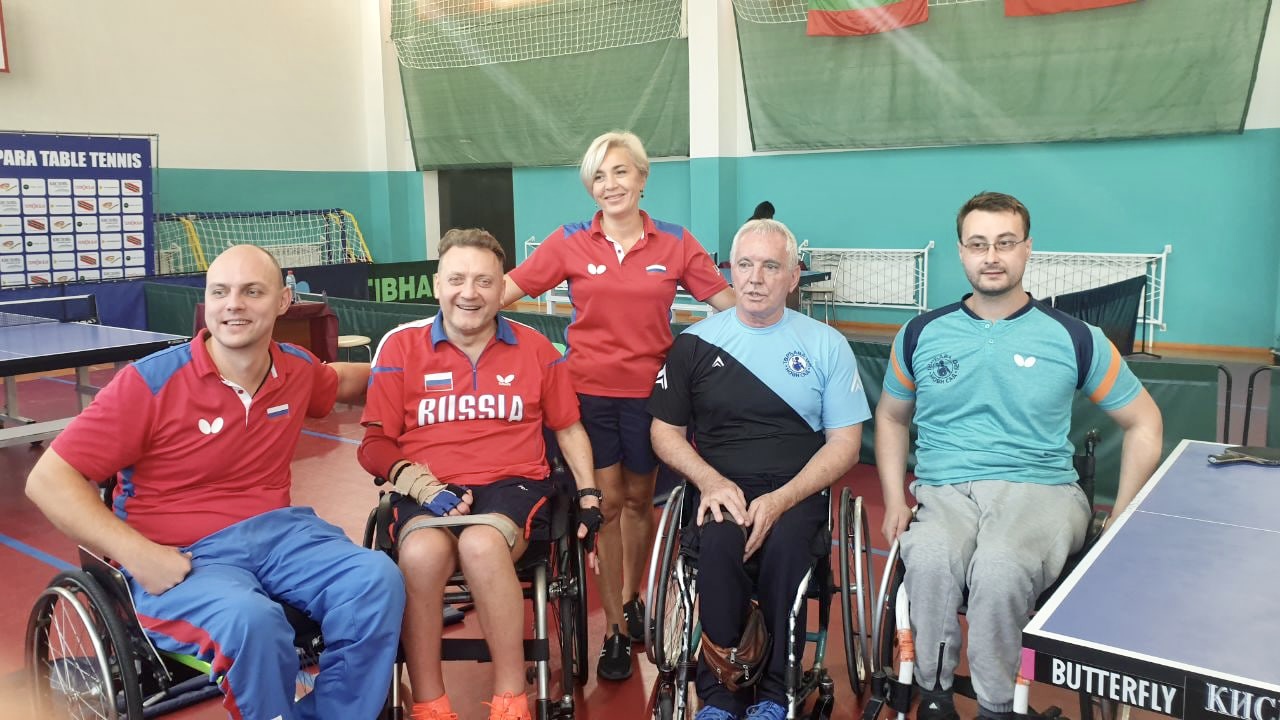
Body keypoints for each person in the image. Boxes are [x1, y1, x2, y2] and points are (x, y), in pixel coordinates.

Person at [24, 244, 404, 720]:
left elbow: (346, 380)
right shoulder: (149, 384)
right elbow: (48, 479)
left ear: (284, 301)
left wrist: (422, 369)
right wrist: (138, 554)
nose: (233, 305)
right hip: (184, 553)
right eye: (220, 292)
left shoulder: (295, 369)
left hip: (281, 535)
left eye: (252, 292)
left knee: (376, 580)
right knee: (252, 622)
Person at [875, 192, 1164, 720]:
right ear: (962, 252)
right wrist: (895, 498)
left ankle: (996, 705)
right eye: (978, 244)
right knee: (931, 558)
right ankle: (934, 696)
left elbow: (1144, 421)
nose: (991, 256)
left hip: (1042, 491)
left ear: (1027, 249)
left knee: (1001, 568)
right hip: (945, 490)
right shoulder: (920, 334)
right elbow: (892, 418)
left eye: (1005, 243)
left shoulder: (1076, 337)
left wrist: (1121, 517)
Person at [501, 130, 736, 680]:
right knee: (606, 505)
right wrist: (458, 305)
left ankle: (633, 598)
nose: (610, 185)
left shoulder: (675, 242)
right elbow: (506, 289)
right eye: (599, 176)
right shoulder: (569, 240)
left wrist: (775, 325)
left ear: (642, 177)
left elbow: (727, 304)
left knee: (638, 501)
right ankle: (614, 629)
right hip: (588, 394)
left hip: (653, 395)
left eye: (621, 172)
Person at [359, 228, 603, 720]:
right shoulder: (400, 348)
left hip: (513, 484)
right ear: (437, 285)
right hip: (428, 487)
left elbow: (568, 427)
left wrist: (589, 494)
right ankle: (430, 702)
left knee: (480, 544)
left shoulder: (536, 348)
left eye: (484, 281)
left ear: (501, 288)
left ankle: (511, 699)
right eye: (457, 279)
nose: (469, 293)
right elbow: (375, 445)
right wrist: (422, 485)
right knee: (420, 555)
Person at [649, 219, 870, 720]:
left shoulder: (827, 345)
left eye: (771, 266)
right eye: (744, 265)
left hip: (796, 490)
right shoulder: (694, 345)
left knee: (788, 544)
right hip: (719, 487)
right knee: (719, 541)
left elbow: (845, 444)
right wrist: (709, 481)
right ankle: (720, 695)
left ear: (793, 276)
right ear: (730, 271)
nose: (755, 278)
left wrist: (782, 499)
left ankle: (774, 692)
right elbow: (665, 433)